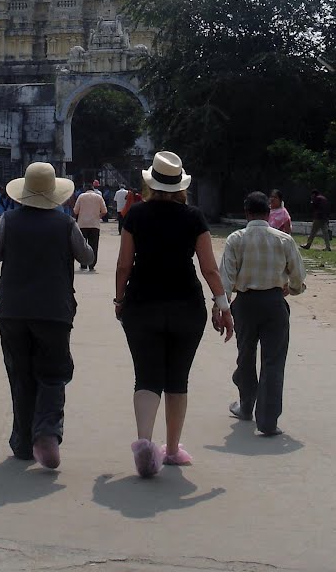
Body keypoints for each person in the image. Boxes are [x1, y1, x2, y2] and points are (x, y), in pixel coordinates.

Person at [115, 151, 234, 478]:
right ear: (180, 185)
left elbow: (124, 264)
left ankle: (143, 443)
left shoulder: (136, 215)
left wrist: (119, 298)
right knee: (177, 378)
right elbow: (209, 268)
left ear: (151, 182)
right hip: (186, 306)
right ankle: (171, 450)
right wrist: (224, 307)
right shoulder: (193, 217)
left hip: (141, 304)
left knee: (146, 375)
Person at [0, 161, 94, 469]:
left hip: (12, 311)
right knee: (54, 374)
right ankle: (46, 431)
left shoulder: (7, 220)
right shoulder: (64, 223)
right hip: (54, 310)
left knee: (20, 375)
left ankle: (21, 442)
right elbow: (87, 256)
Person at [218, 191, 307, 437]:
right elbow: (298, 276)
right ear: (269, 213)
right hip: (274, 304)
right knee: (273, 362)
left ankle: (246, 406)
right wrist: (293, 288)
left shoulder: (236, 239)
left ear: (246, 213)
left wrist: (221, 308)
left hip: (244, 304)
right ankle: (267, 422)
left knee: (245, 356)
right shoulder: (283, 240)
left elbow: (225, 278)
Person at [73, 183, 107, 270]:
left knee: (82, 245)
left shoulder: (81, 196)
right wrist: (98, 216)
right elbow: (104, 211)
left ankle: (83, 264)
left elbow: (75, 211)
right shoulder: (98, 197)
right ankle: (92, 265)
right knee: (94, 245)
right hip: (94, 225)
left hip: (82, 224)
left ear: (85, 189)